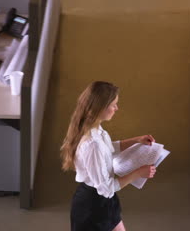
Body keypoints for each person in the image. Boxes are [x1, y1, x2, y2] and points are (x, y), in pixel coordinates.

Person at [61, 81, 157, 231]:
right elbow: (106, 188)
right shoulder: (93, 144)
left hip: (104, 202)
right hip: (93, 207)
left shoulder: (97, 130)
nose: (116, 108)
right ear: (99, 108)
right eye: (113, 105)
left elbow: (109, 149)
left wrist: (136, 140)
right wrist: (139, 173)